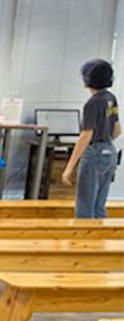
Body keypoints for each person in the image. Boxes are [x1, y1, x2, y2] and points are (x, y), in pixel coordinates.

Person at [62, 59, 120, 218]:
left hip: (94, 153)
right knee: (99, 206)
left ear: (87, 79)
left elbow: (86, 136)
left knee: (85, 206)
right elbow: (117, 130)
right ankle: (99, 241)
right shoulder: (110, 98)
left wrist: (69, 167)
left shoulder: (93, 103)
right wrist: (105, 145)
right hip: (110, 152)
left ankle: (83, 241)